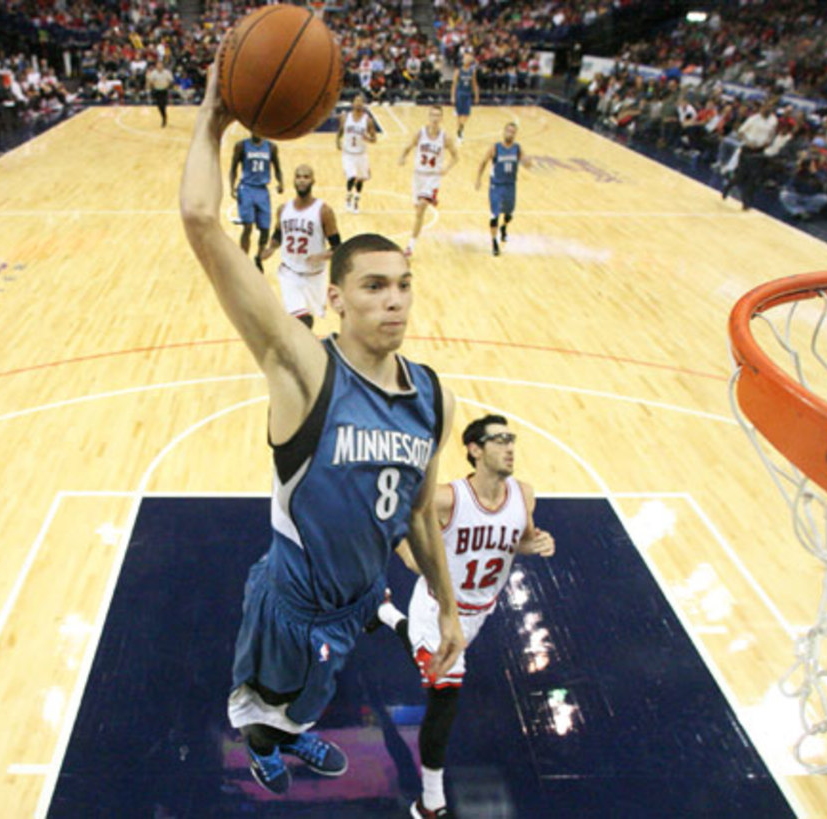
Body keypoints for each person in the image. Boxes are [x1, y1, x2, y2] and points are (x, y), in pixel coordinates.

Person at [180, 62, 466, 797]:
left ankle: (293, 736)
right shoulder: (306, 370)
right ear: (334, 297)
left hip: (354, 602)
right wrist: (212, 123)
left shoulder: (432, 395)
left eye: (404, 284)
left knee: (308, 703)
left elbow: (418, 516)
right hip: (291, 601)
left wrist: (448, 608)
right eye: (374, 286)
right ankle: (264, 749)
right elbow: (202, 223)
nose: (394, 301)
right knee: (262, 706)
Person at [376, 415, 556, 819]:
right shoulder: (447, 499)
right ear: (475, 450)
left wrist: (537, 543)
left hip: (479, 612)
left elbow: (520, 540)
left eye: (511, 439)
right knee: (444, 697)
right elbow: (401, 519)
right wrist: (411, 559)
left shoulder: (524, 495)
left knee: (428, 666)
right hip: (439, 611)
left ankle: (385, 613)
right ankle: (430, 803)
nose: (510, 447)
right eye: (499, 440)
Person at [258, 165, 340, 329]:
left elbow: (338, 246)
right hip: (290, 273)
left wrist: (321, 256)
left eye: (306, 177)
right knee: (301, 319)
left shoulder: (324, 211)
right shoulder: (283, 209)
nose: (302, 180)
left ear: (313, 181)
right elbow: (278, 235)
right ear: (294, 180)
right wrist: (271, 248)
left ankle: (304, 348)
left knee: (308, 318)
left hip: (315, 275)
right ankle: (300, 352)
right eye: (299, 176)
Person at [399, 105, 459, 258]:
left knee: (421, 209)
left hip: (432, 177)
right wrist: (403, 157)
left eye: (438, 115)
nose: (435, 118)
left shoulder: (445, 137)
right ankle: (429, 199)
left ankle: (410, 246)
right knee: (417, 211)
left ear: (441, 118)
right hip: (418, 175)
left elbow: (455, 156)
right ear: (429, 117)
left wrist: (447, 168)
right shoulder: (420, 133)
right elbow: (408, 146)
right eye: (432, 115)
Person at [229, 133, 284, 270]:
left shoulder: (271, 147)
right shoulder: (241, 146)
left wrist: (281, 182)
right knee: (248, 226)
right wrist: (231, 187)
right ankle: (243, 260)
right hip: (246, 188)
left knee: (265, 229)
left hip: (262, 190)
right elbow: (233, 168)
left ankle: (258, 257)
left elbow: (277, 168)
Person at [475, 122, 531, 255]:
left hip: (510, 185)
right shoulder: (495, 148)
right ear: (503, 132)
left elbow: (527, 163)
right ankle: (494, 243)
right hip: (496, 185)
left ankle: (504, 227)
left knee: (509, 214)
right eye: (508, 131)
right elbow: (483, 162)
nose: (510, 134)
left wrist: (528, 162)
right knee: (494, 215)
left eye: (512, 132)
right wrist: (478, 179)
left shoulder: (517, 149)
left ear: (515, 134)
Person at [337, 93, 378, 214]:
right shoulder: (345, 117)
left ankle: (356, 200)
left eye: (361, 101)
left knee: (360, 179)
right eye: (356, 101)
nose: (358, 103)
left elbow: (374, 139)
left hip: (361, 154)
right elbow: (340, 131)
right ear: (353, 103)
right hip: (348, 153)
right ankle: (348, 197)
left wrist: (368, 139)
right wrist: (337, 141)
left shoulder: (368, 120)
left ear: (364, 104)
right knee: (351, 176)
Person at [451, 52, 479, 142]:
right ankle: (459, 133)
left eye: (468, 58)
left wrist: (476, 96)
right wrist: (452, 96)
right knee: (459, 115)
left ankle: (460, 128)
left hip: (468, 94)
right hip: (460, 94)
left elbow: (474, 84)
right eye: (465, 58)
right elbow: (454, 84)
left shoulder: (472, 71)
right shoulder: (458, 71)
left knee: (466, 115)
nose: (466, 60)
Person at [145, 59, 175, 127]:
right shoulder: (153, 73)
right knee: (159, 106)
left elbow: (171, 80)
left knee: (163, 104)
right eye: (158, 64)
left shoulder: (167, 72)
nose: (159, 66)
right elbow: (150, 81)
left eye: (160, 64)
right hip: (157, 91)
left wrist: (168, 85)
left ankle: (164, 118)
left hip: (164, 90)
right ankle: (163, 116)